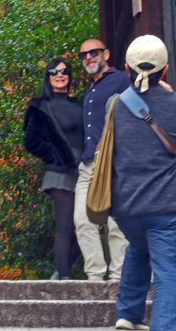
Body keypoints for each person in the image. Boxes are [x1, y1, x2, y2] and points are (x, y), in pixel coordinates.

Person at [110, 35, 176, 331]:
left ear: (126, 68)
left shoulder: (116, 105)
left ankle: (128, 314)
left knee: (138, 248)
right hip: (167, 206)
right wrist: (171, 97)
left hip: (126, 206)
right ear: (165, 71)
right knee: (167, 271)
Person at [74, 39, 130, 281]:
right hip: (88, 163)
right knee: (82, 219)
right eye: (83, 55)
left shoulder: (121, 80)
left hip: (115, 161)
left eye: (93, 52)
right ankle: (96, 276)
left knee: (116, 223)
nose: (88, 57)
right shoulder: (89, 88)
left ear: (105, 54)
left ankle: (119, 277)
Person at [23, 59, 83, 280]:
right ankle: (64, 278)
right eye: (54, 71)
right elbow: (31, 142)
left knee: (89, 226)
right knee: (66, 227)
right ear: (48, 77)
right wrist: (58, 157)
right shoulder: (41, 106)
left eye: (64, 71)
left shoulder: (79, 104)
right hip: (59, 171)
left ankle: (59, 272)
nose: (60, 74)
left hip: (85, 169)